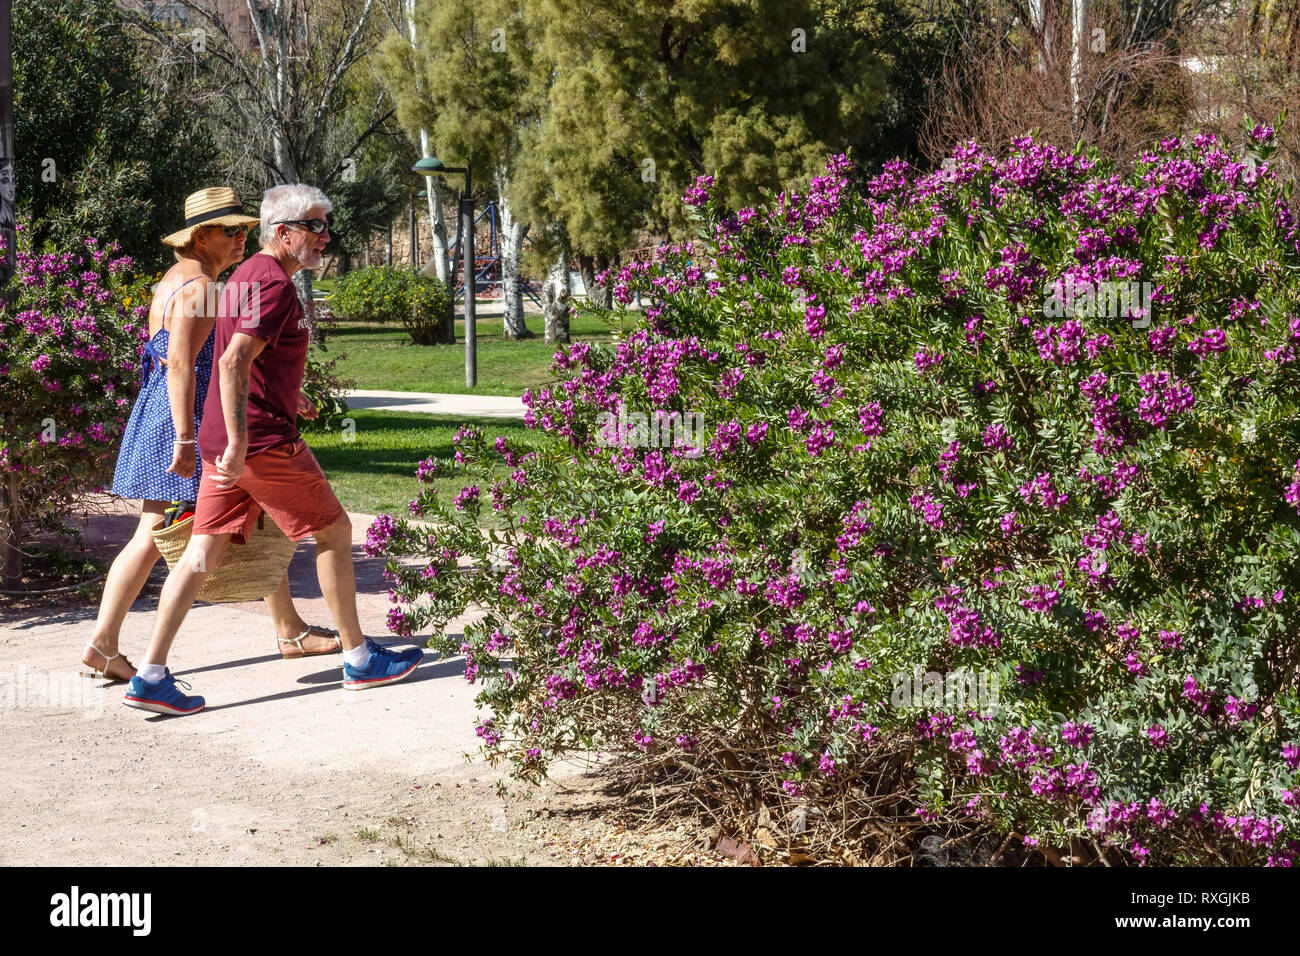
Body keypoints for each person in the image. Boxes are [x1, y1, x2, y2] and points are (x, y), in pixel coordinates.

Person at [123, 183, 422, 715]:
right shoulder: (274, 285)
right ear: (282, 232)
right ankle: (359, 659)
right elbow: (232, 362)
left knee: (201, 553)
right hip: (258, 443)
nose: (326, 237)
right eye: (315, 226)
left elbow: (245, 357)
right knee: (334, 531)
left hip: (228, 441)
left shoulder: (247, 276)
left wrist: (289, 394)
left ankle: (149, 675)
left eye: (327, 226)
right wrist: (239, 442)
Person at [85, 187, 342, 684]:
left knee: (248, 518)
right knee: (161, 536)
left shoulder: (179, 279)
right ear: (200, 235)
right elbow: (183, 363)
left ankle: (286, 627)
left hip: (171, 413)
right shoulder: (201, 285)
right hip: (184, 419)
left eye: (245, 228)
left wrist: (287, 393)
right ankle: (105, 641)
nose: (242, 238)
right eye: (230, 230)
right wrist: (184, 438)